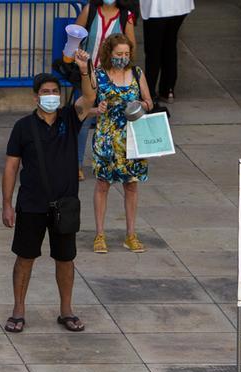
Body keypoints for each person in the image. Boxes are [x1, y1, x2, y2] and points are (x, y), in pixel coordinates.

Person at [1, 68, 96, 335]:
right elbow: (11, 167)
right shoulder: (23, 127)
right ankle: (18, 310)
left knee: (65, 259)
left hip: (65, 205)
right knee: (25, 258)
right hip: (31, 204)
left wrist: (84, 70)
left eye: (55, 92)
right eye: (45, 92)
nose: (51, 96)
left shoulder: (70, 118)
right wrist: (7, 203)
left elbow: (89, 96)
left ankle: (66, 310)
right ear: (36, 97)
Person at [86, 33, 153, 255]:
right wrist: (98, 109)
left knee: (131, 185)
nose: (123, 58)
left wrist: (139, 105)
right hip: (106, 136)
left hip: (131, 136)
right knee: (103, 184)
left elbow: (149, 102)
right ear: (109, 54)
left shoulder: (136, 73)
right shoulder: (99, 75)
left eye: (126, 54)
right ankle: (99, 234)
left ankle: (131, 234)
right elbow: (86, 106)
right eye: (119, 54)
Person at [74, 0, 137, 176]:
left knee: (111, 121)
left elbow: (131, 49)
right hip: (87, 76)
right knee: (82, 120)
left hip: (112, 80)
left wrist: (126, 74)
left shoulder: (126, 17)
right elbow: (75, 36)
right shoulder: (90, 10)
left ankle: (109, 162)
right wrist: (78, 57)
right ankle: (76, 164)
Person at [140, 0, 191, 104]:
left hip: (157, 8)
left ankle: (149, 92)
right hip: (179, 7)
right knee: (170, 46)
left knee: (153, 51)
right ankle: (167, 90)